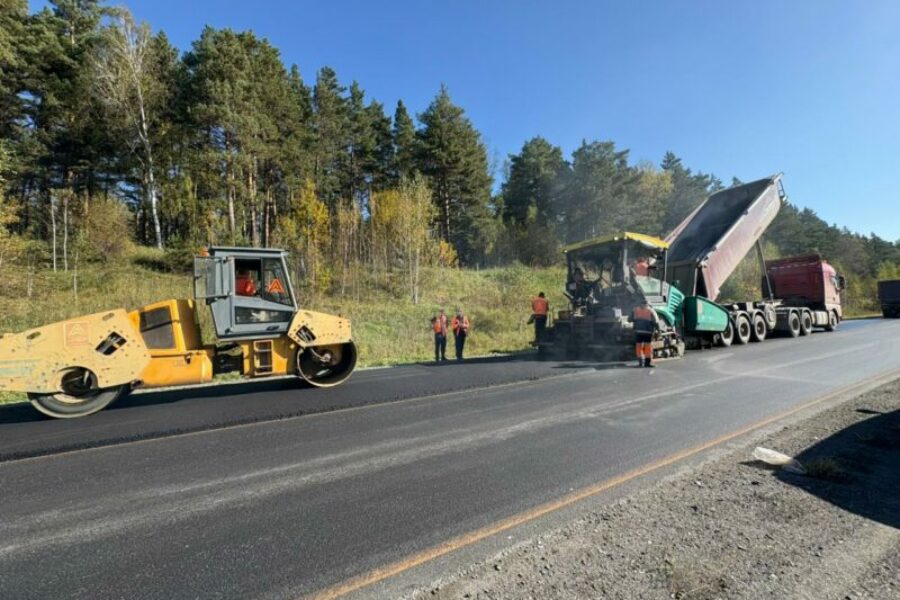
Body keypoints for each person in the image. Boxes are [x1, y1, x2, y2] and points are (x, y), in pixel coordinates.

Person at [631, 302, 659, 367]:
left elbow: (629, 319)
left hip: (638, 332)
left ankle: (640, 363)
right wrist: (658, 330)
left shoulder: (635, 310)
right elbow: (656, 321)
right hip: (648, 332)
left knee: (638, 347)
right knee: (648, 347)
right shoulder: (650, 310)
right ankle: (647, 363)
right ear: (647, 305)